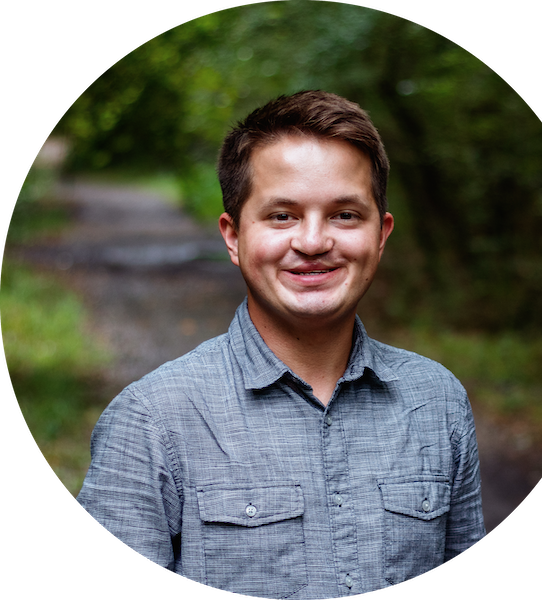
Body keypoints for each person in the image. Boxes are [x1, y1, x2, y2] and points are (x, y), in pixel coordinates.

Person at [76, 90, 486, 598]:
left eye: (344, 215)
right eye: (282, 216)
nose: (313, 242)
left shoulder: (438, 400)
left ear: (381, 235)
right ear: (233, 236)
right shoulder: (151, 420)